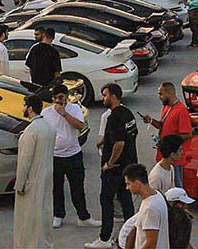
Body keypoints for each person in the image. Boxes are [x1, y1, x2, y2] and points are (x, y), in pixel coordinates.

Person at [90, 83, 138, 249]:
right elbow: (125, 135)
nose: (103, 98)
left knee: (106, 200)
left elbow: (119, 143)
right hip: (129, 167)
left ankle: (104, 238)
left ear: (113, 96)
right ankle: (133, 233)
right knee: (126, 202)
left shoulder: (114, 117)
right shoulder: (128, 114)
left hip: (115, 169)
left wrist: (109, 164)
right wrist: (102, 142)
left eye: (105, 95)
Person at [43, 83, 94, 230]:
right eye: (56, 98)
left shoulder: (74, 108)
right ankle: (58, 215)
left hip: (73, 154)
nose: (59, 101)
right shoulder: (47, 113)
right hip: (55, 155)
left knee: (77, 186)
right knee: (56, 187)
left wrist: (64, 113)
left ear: (66, 97)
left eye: (61, 97)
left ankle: (83, 216)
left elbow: (79, 126)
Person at [15, 93, 57, 249]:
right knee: (44, 214)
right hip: (46, 177)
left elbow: (25, 161)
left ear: (30, 108)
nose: (23, 108)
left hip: (32, 180)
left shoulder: (31, 131)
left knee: (28, 218)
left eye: (25, 106)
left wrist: (20, 184)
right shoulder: (49, 128)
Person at [120, 163, 168, 249]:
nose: (127, 188)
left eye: (129, 184)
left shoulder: (150, 208)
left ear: (138, 183)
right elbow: (136, 227)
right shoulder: (156, 196)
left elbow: (151, 244)